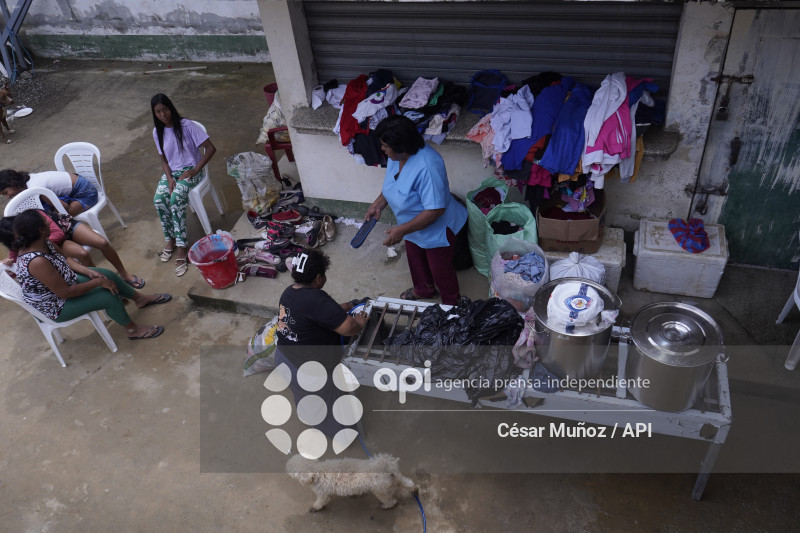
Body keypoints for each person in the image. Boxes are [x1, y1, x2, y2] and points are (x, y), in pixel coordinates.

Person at [11, 209, 170, 340]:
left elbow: (66, 259)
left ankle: (140, 299)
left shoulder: (43, 241)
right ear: (40, 230)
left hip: (66, 283)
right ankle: (132, 330)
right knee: (108, 297)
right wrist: (98, 283)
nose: (49, 221)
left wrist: (89, 271)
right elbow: (65, 292)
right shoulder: (37, 261)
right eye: (45, 221)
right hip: (55, 305)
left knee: (105, 274)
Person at [365, 115, 468, 305]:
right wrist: (378, 204)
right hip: (410, 225)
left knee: (440, 269)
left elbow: (435, 210)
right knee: (416, 259)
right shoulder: (396, 156)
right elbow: (394, 184)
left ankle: (452, 303)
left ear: (401, 146)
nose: (382, 149)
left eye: (385, 146)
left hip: (437, 228)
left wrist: (402, 230)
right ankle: (424, 290)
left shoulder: (428, 166)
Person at [275, 248, 368, 438]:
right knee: (336, 419)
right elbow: (349, 328)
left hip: (284, 359)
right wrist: (359, 322)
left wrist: (347, 306)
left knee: (307, 398)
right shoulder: (317, 298)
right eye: (324, 274)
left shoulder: (289, 292)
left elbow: (317, 314)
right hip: (308, 371)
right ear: (318, 278)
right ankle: (338, 433)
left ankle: (309, 414)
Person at [150, 93, 216, 277]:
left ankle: (181, 246)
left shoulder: (187, 126)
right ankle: (171, 238)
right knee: (159, 199)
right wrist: (169, 178)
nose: (162, 115)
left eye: (165, 110)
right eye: (158, 112)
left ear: (170, 108)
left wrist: (195, 169)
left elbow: (211, 148)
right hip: (172, 173)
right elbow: (163, 159)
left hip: (191, 170)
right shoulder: (157, 132)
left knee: (176, 198)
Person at [1, 211, 146, 288]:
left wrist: (40, 244)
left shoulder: (35, 217)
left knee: (102, 242)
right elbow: (19, 269)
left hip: (64, 228)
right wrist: (8, 267)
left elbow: (58, 233)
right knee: (82, 254)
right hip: (49, 242)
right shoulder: (20, 244)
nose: (21, 239)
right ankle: (102, 281)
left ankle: (124, 274)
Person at [0, 169, 99, 216]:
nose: (7, 197)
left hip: (86, 192)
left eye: (5, 192)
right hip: (73, 189)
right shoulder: (25, 181)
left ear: (13, 183)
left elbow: (63, 207)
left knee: (61, 219)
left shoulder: (36, 188)